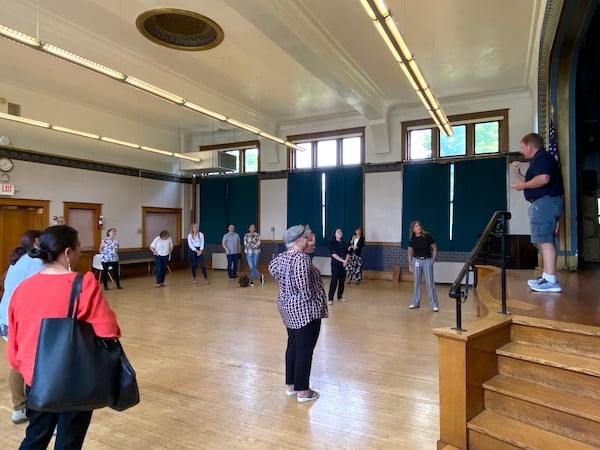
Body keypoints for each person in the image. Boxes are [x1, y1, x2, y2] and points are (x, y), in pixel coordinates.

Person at [7, 225, 120, 449]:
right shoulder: (84, 284)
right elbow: (109, 331)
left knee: (35, 437)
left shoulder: (23, 288)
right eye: (78, 248)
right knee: (69, 441)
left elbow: (14, 346)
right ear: (68, 252)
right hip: (73, 378)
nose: (79, 253)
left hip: (36, 377)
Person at [268, 225, 328, 403]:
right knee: (304, 349)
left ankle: (292, 385)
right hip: (304, 311)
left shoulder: (282, 258)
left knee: (293, 346)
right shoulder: (301, 259)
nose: (308, 240)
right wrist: (310, 299)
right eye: (305, 238)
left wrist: (288, 289)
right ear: (297, 241)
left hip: (288, 309)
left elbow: (272, 268)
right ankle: (303, 391)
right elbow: (304, 287)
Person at [0, 230, 44, 425]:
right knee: (41, 365)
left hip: (8, 321)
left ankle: (19, 409)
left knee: (17, 364)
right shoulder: (37, 262)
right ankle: (44, 413)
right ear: (37, 241)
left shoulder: (16, 261)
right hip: (23, 321)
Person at [511, 132, 564, 292]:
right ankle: (547, 277)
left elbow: (543, 179)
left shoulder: (542, 157)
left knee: (545, 241)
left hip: (545, 203)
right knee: (545, 240)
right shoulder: (539, 160)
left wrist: (522, 186)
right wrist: (518, 174)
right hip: (544, 203)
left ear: (530, 145)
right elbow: (532, 181)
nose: (521, 151)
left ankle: (551, 281)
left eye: (522, 147)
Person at [407, 220, 439, 311]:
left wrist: (433, 259)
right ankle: (415, 302)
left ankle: (434, 304)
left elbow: (434, 247)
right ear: (413, 229)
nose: (419, 228)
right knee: (416, 283)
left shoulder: (427, 236)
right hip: (416, 261)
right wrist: (410, 264)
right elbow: (409, 252)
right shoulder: (412, 239)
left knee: (430, 283)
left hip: (427, 261)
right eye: (416, 226)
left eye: (419, 226)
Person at [328, 228, 349, 305]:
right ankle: (330, 299)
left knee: (342, 281)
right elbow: (334, 255)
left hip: (343, 265)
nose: (340, 233)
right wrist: (343, 261)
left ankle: (340, 297)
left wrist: (346, 260)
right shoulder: (332, 243)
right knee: (334, 281)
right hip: (335, 265)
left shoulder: (343, 243)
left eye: (340, 231)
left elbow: (347, 253)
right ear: (335, 234)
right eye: (338, 232)